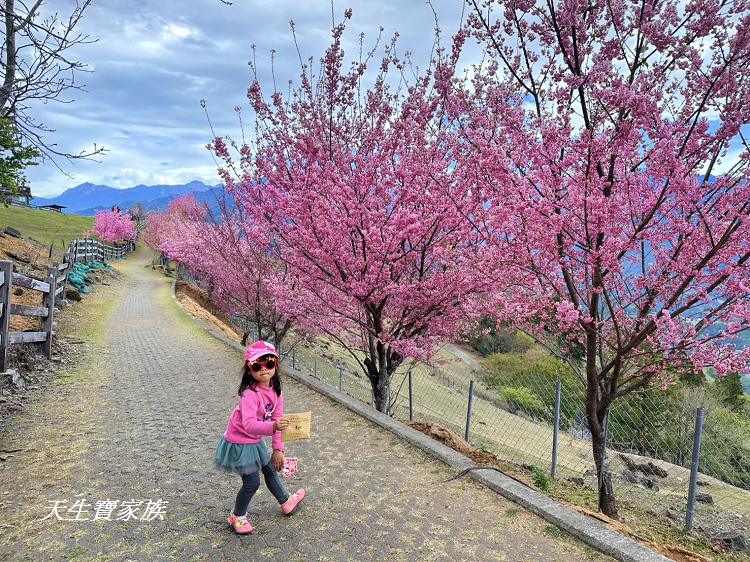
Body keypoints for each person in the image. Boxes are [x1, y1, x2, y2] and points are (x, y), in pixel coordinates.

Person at [214, 340, 306, 534]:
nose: (264, 369)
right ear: (250, 370)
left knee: (271, 469)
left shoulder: (277, 392)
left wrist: (278, 449)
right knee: (252, 482)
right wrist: (273, 426)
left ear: (276, 365)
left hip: (255, 440)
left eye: (269, 363)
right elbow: (249, 425)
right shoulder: (249, 394)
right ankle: (237, 516)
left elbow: (278, 421)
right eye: (257, 365)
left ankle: (286, 500)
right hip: (239, 442)